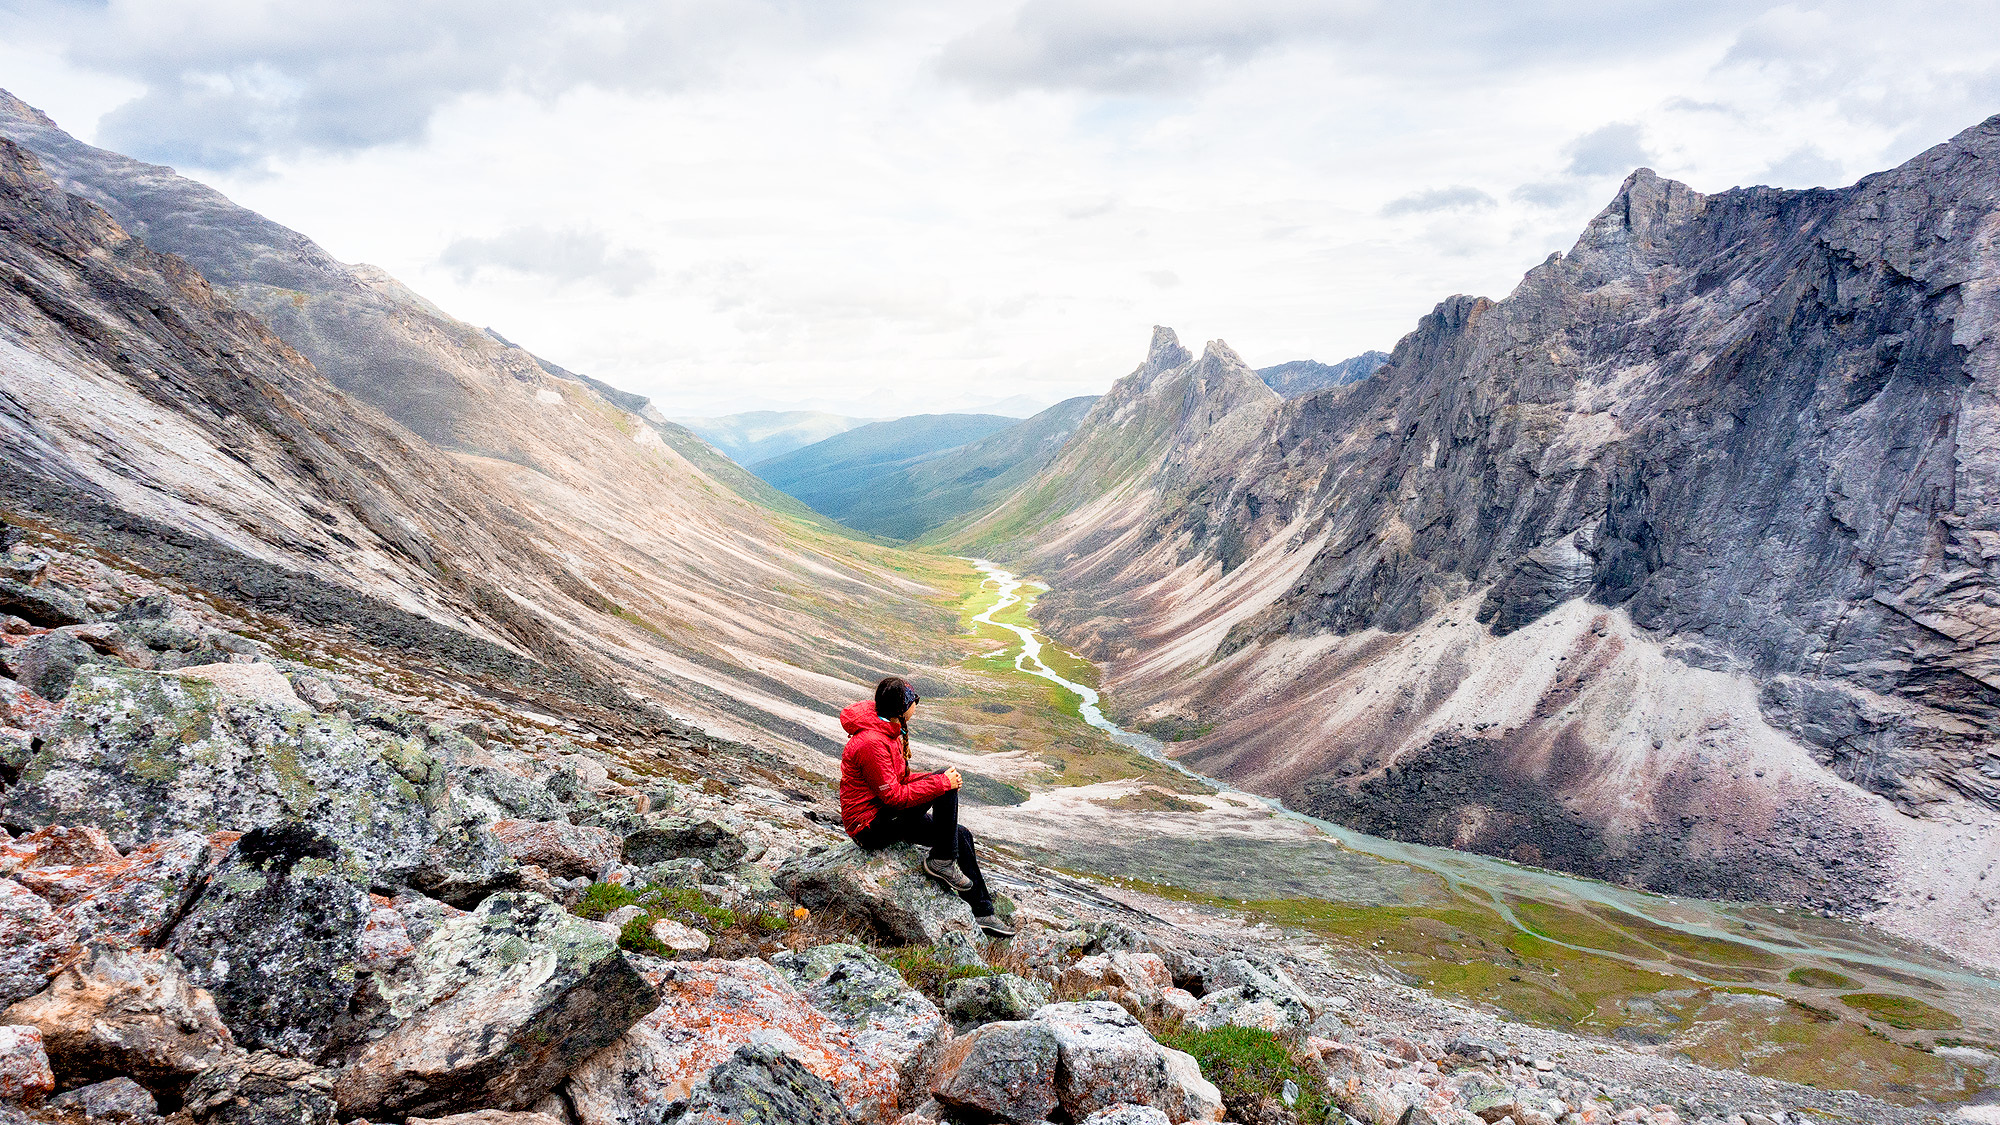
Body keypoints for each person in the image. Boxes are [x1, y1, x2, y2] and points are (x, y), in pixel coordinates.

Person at [840, 675, 1015, 937]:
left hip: (885, 816)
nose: (916, 706)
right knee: (943, 785)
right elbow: (894, 797)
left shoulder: (886, 729)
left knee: (961, 835)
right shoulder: (871, 743)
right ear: (901, 708)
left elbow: (898, 781)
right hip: (869, 826)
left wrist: (936, 778)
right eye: (914, 701)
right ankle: (942, 861)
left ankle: (983, 913)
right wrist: (941, 782)